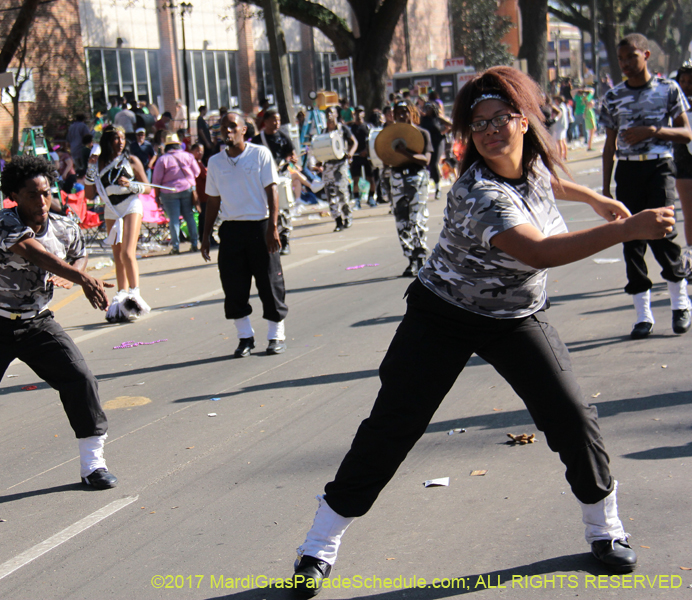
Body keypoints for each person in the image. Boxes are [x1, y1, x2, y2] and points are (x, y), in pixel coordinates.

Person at [288, 66, 678, 597]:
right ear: (469, 136)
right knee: (392, 427)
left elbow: (547, 181)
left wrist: (591, 198)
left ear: (522, 122)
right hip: (442, 314)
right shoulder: (478, 193)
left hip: (516, 316)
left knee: (570, 416)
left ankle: (604, 529)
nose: (491, 132)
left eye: (500, 120)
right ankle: (318, 545)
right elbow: (538, 252)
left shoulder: (533, 164)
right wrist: (624, 228)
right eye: (478, 125)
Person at [0, 155, 117, 499]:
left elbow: (78, 251)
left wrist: (72, 272)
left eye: (46, 193)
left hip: (37, 323)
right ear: (15, 195)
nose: (41, 201)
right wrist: (81, 277)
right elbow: (31, 251)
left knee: (80, 380)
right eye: (32, 195)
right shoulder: (2, 221)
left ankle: (93, 465)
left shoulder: (64, 225)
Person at [600, 33, 692, 339]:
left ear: (646, 55)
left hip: (659, 165)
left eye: (631, 57)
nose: (625, 64)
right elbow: (609, 145)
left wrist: (652, 130)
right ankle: (643, 315)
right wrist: (605, 188)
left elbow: (686, 134)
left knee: (664, 233)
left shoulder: (668, 89)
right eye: (621, 59)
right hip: (627, 171)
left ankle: (680, 303)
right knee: (631, 240)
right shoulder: (613, 97)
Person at [199, 111, 288, 358]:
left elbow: (273, 191)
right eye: (223, 127)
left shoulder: (260, 154)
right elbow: (213, 201)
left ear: (243, 130)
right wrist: (206, 235)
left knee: (270, 283)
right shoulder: (215, 162)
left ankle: (276, 335)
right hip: (231, 229)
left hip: (260, 226)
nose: (227, 131)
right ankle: (245, 337)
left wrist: (273, 226)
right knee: (233, 286)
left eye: (232, 126)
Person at [84, 125, 151, 322]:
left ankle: (134, 293)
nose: (120, 142)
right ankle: (121, 295)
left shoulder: (131, 161)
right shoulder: (98, 164)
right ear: (107, 141)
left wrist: (131, 185)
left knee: (127, 252)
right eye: (115, 138)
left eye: (122, 138)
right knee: (117, 256)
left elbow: (147, 187)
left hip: (131, 204)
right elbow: (89, 195)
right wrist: (90, 167)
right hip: (111, 209)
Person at [383, 100, 433, 276]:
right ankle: (410, 259)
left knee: (417, 219)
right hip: (397, 178)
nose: (402, 115)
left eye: (405, 111)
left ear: (412, 112)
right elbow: (384, 156)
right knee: (402, 221)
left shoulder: (422, 133)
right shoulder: (390, 136)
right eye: (398, 112)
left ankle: (420, 257)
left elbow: (425, 160)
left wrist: (405, 152)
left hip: (417, 177)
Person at [250, 109, 295, 254]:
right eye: (274, 120)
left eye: (279, 120)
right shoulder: (257, 140)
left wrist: (291, 159)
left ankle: (285, 239)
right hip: (265, 179)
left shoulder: (283, 137)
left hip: (281, 176)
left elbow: (291, 153)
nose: (276, 123)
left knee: (284, 208)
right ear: (266, 121)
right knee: (268, 209)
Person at [152, 133, 200, 254]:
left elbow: (156, 181)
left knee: (173, 219)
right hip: (187, 189)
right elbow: (197, 172)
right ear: (179, 145)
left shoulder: (162, 159)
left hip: (169, 192)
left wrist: (156, 197)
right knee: (189, 216)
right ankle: (194, 244)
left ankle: (176, 247)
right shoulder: (188, 156)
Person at [322, 111, 357, 232]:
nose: (329, 115)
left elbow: (354, 142)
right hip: (328, 165)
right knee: (330, 194)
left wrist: (350, 154)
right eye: (327, 114)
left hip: (340, 164)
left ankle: (347, 216)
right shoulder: (323, 132)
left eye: (331, 113)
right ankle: (338, 221)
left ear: (336, 115)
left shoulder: (343, 129)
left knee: (341, 192)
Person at [675, 61, 692, 252]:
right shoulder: (674, 106)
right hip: (683, 162)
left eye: (690, 82)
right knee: (689, 214)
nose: (686, 85)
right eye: (683, 81)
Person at [420, 101, 452, 200]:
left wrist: (445, 132)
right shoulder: (422, 120)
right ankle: (427, 185)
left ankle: (438, 188)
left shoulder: (438, 118)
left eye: (429, 108)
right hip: (427, 143)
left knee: (434, 164)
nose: (428, 110)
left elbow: (451, 125)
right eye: (426, 108)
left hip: (438, 141)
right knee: (427, 164)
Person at [349, 108, 376, 207]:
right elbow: (348, 142)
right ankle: (357, 200)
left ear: (363, 114)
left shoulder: (369, 127)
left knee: (371, 179)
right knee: (355, 179)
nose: (358, 115)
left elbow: (373, 141)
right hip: (356, 157)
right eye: (356, 113)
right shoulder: (351, 128)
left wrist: (367, 151)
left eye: (360, 112)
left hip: (368, 157)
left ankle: (371, 198)